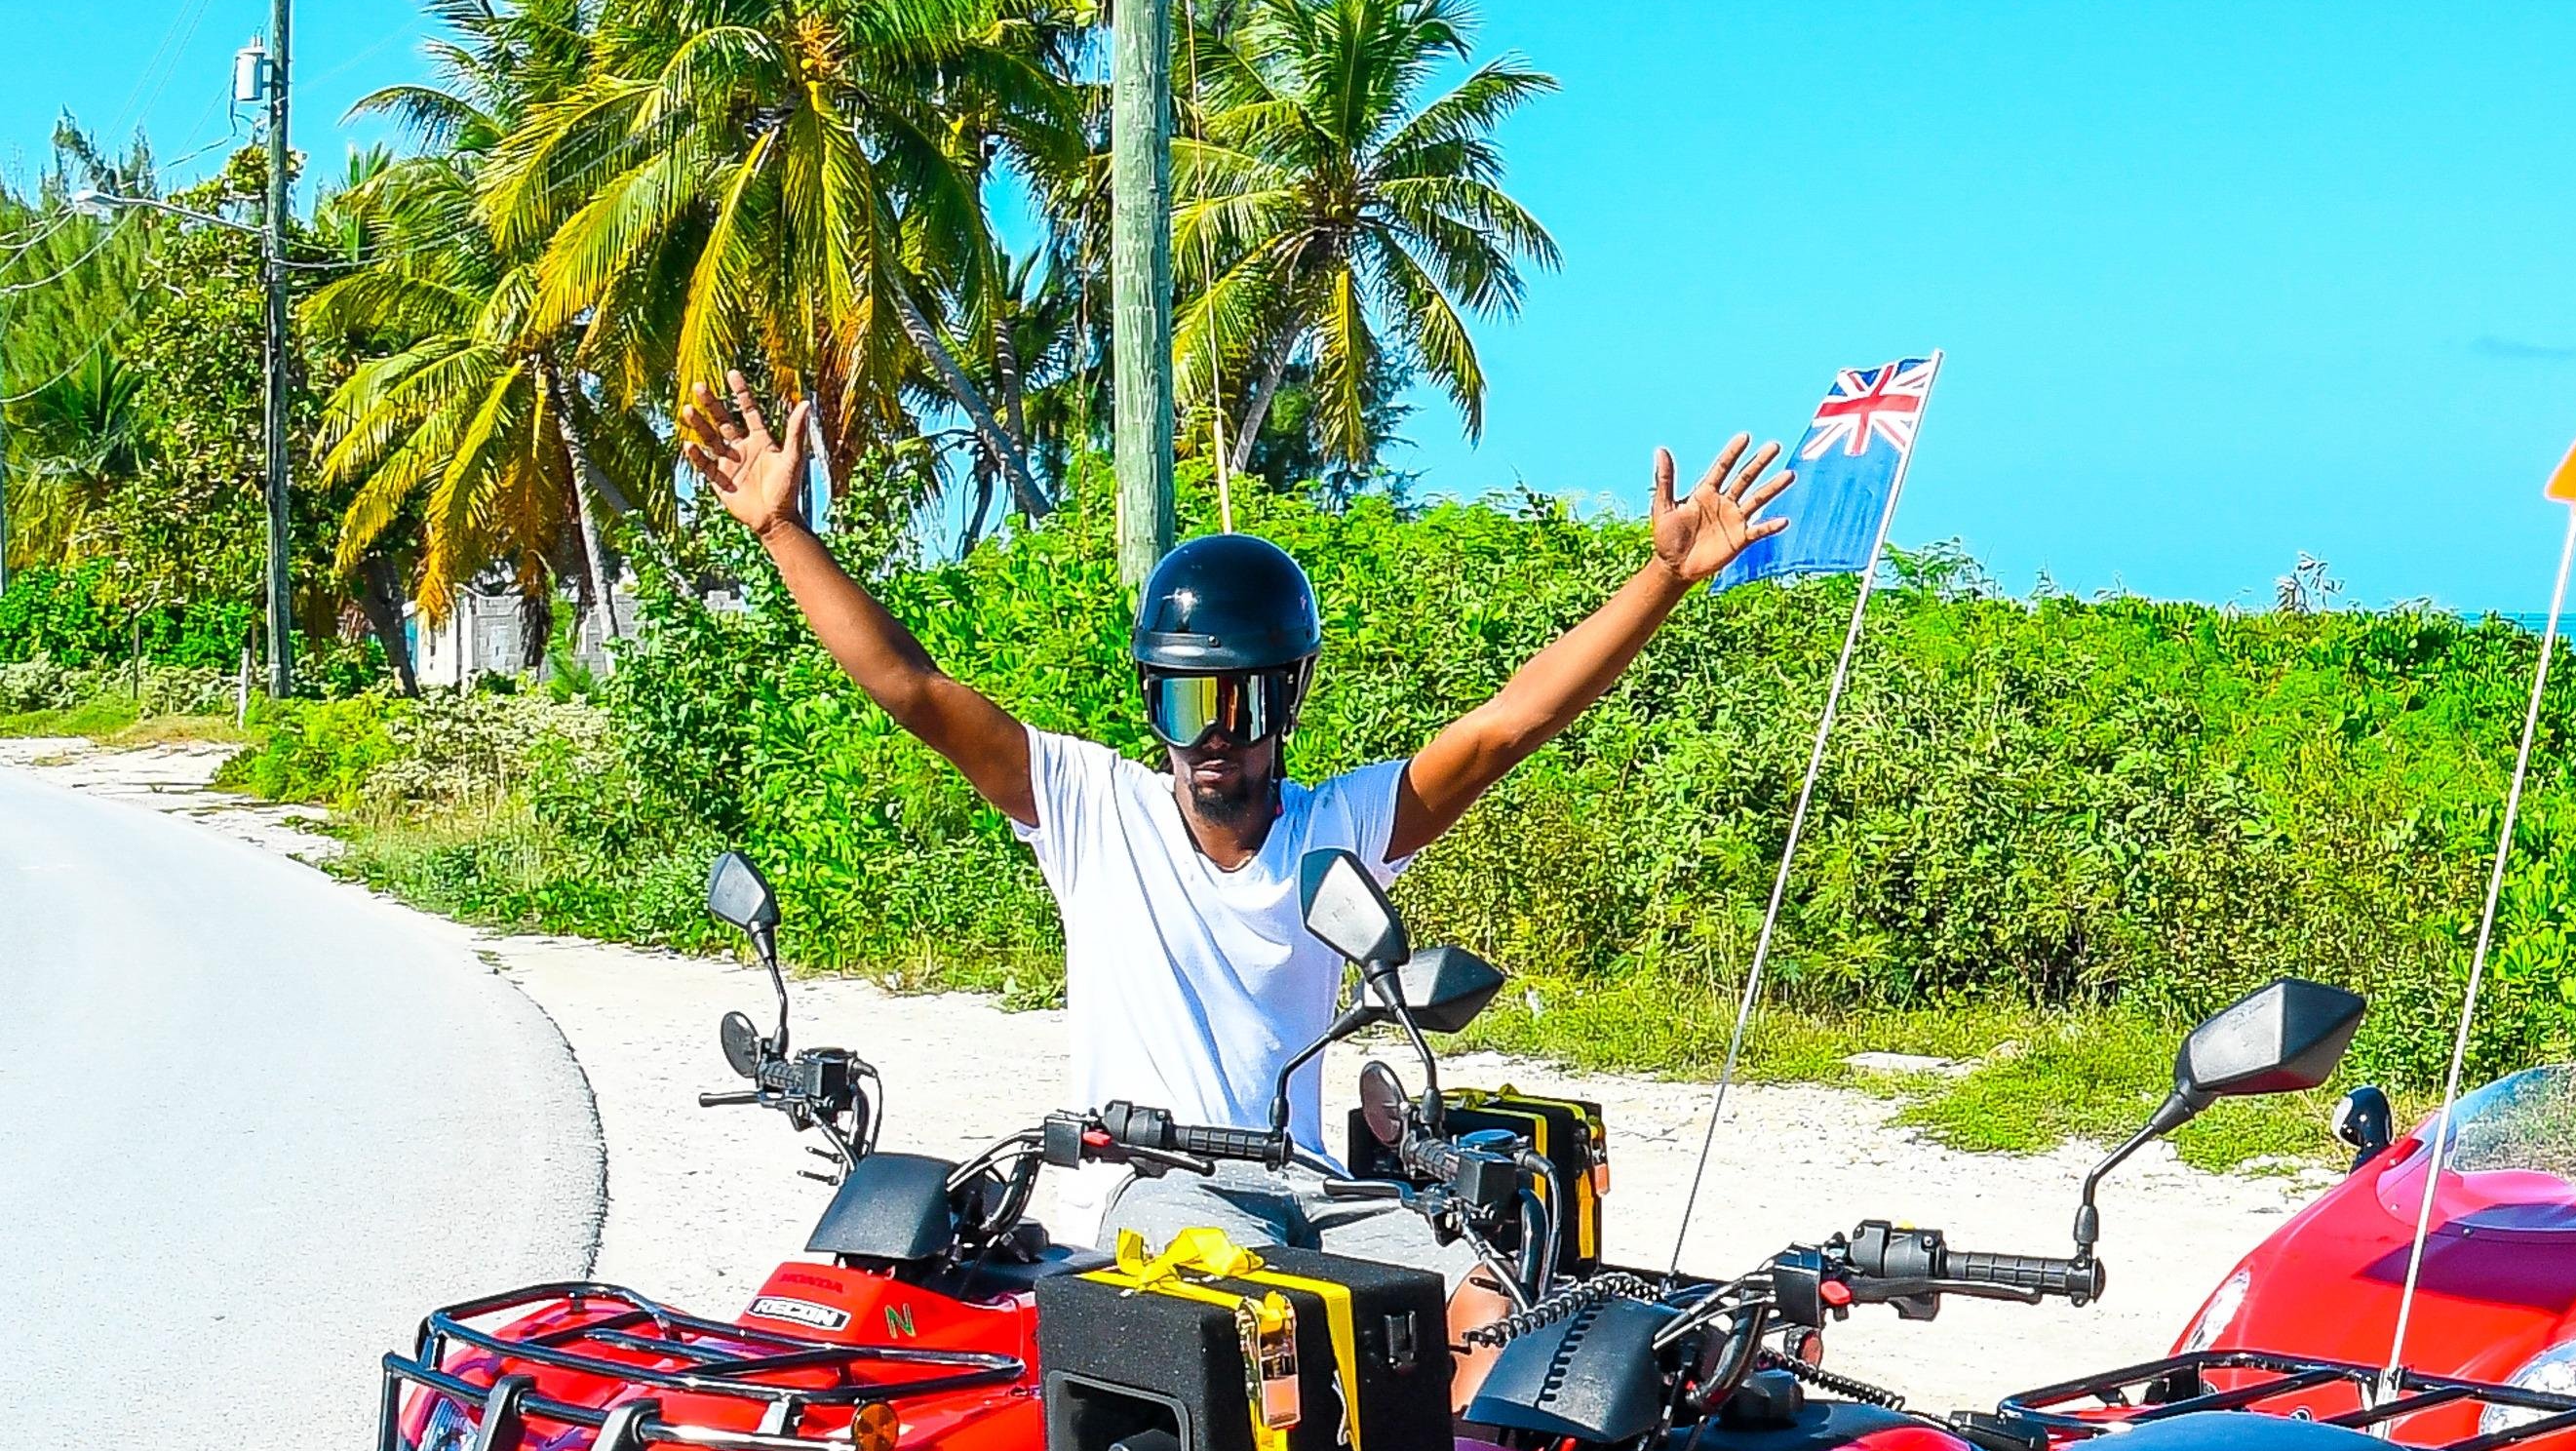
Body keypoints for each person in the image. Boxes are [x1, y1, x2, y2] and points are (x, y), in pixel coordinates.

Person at [678, 381, 1786, 1141]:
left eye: (1239, 699)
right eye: (1182, 697)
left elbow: (1502, 730)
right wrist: (783, 532)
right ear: (1148, 700)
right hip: (1138, 1211)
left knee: (1473, 1313)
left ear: (1287, 697)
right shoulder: (1088, 810)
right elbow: (912, 689)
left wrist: (1665, 581)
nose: (1210, 733)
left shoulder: (1330, 835)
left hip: (1296, 1207)